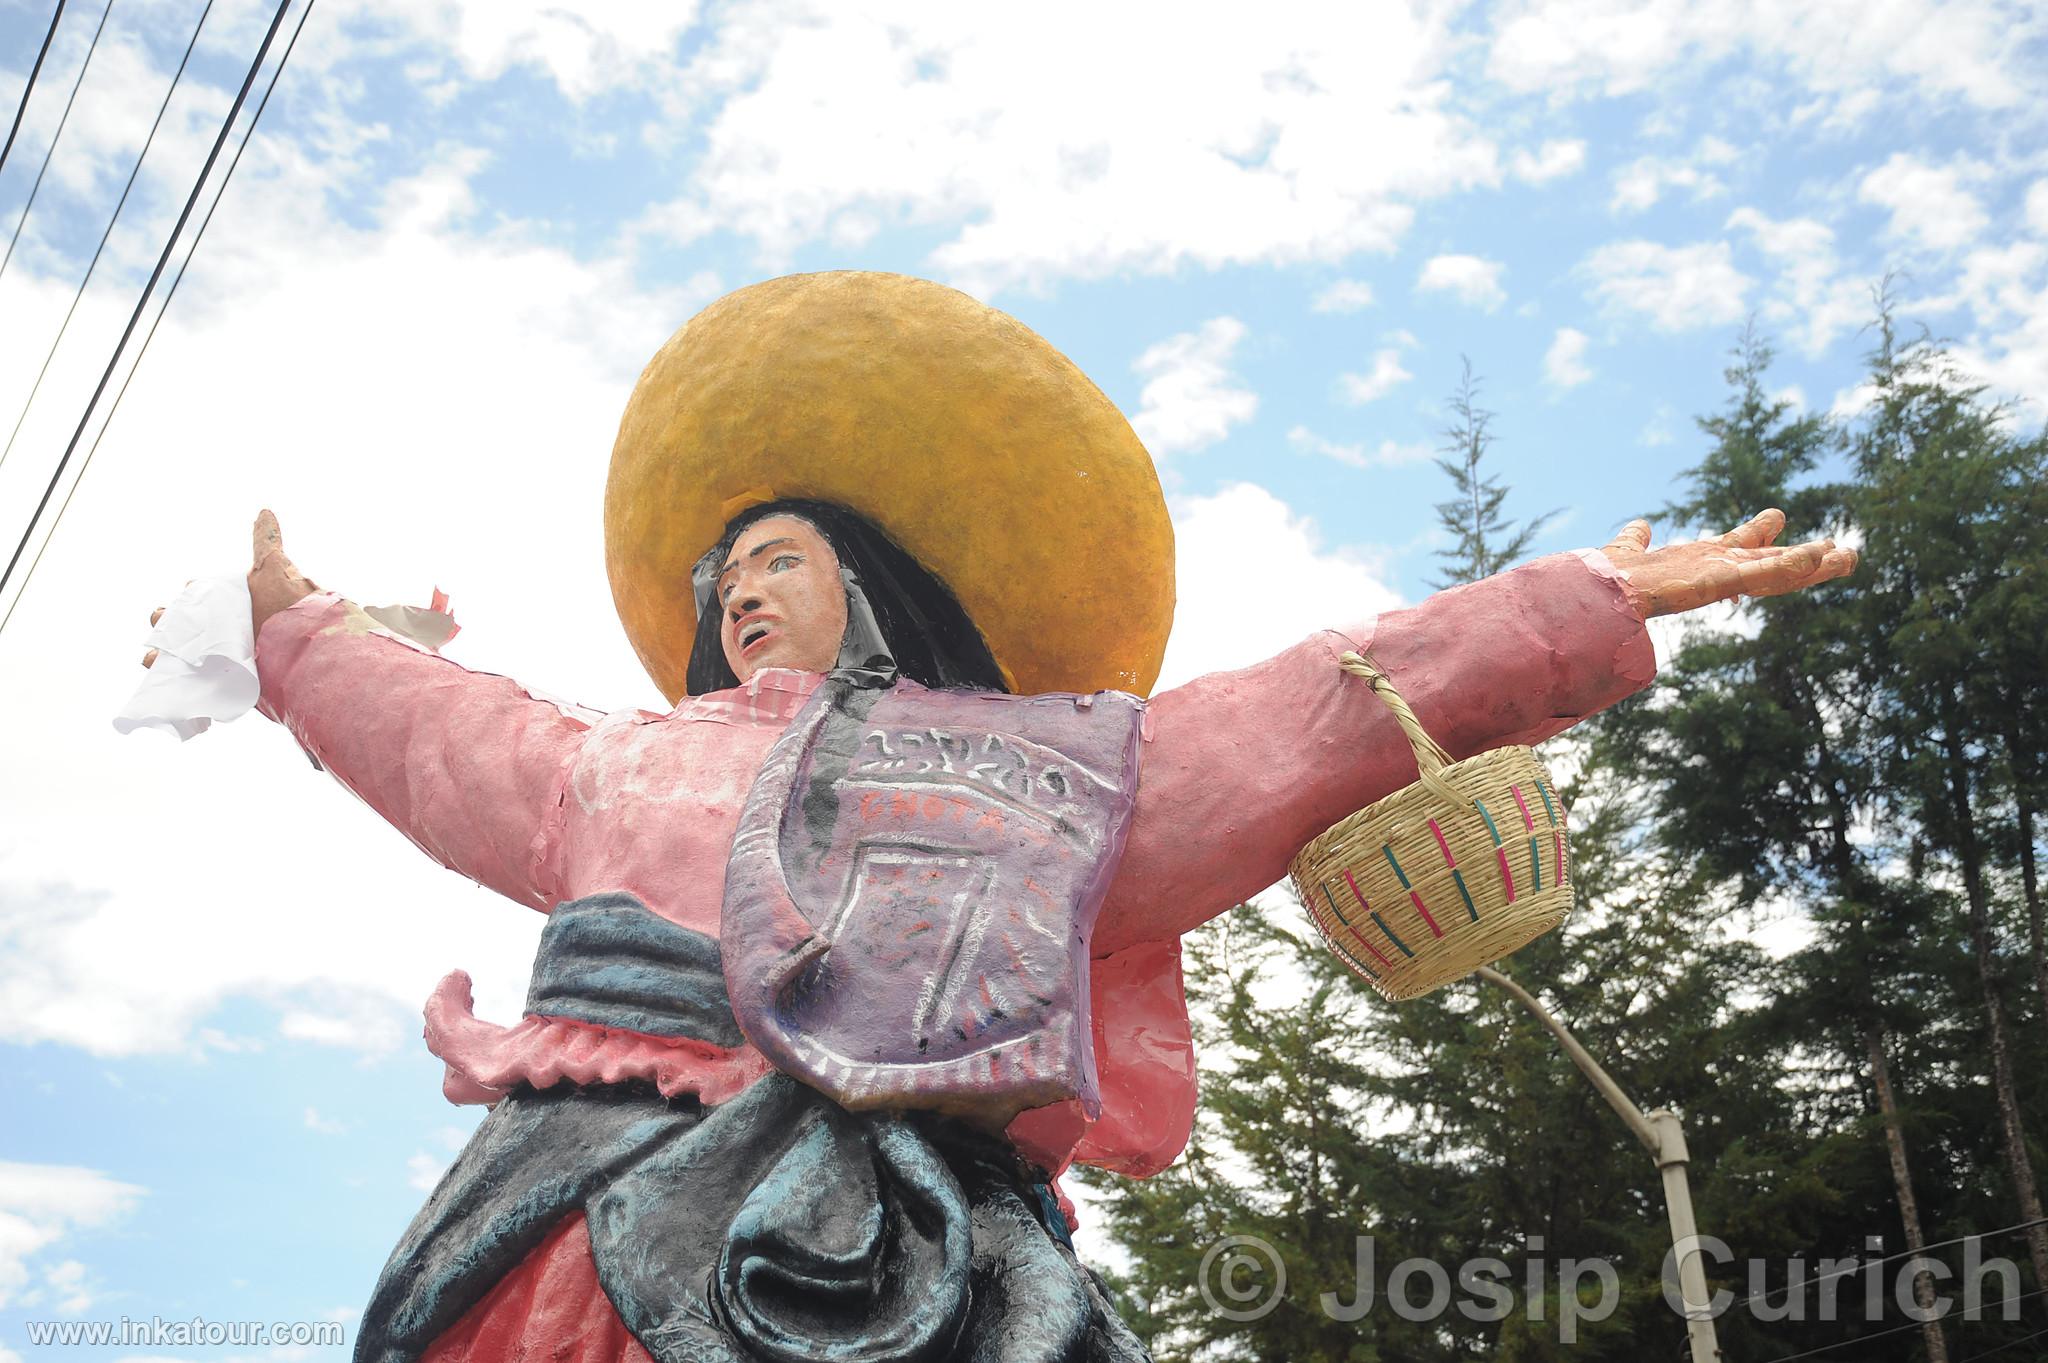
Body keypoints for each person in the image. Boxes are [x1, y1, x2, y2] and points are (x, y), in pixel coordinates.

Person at [147, 276, 1853, 1363]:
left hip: (921, 1250)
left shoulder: (1040, 771)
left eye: (780, 561)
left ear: (870, 588)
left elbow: (1297, 718)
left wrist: (1565, 604)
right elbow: (441, 726)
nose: (741, 594)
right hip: (563, 1231)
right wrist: (299, 633)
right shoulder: (608, 765)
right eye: (723, 574)